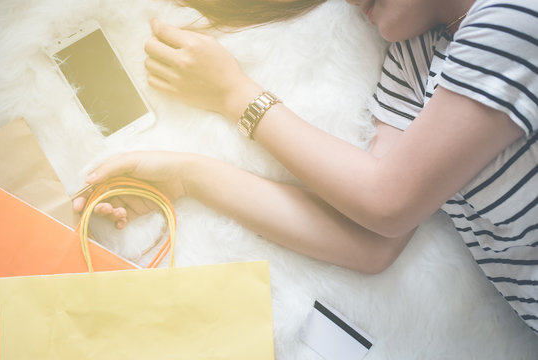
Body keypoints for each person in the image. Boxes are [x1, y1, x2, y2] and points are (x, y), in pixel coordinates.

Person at [73, 0, 538, 333]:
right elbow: (372, 241)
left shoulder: (515, 15)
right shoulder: (413, 57)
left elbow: (386, 202)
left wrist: (234, 95)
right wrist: (188, 176)